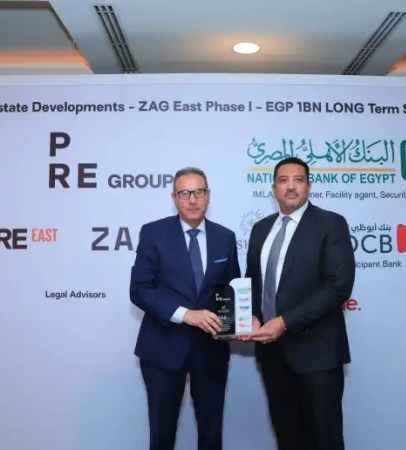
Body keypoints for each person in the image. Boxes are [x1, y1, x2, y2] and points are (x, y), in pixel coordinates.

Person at [245, 157, 355, 450]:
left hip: (317, 354)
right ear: (273, 189)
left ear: (309, 186)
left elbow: (339, 285)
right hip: (272, 354)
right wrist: (250, 316)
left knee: (325, 439)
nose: (291, 186)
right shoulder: (260, 229)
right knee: (287, 437)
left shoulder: (330, 224)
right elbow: (253, 282)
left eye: (298, 180)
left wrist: (285, 322)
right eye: (283, 180)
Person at [130, 167, 240, 450]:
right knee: (162, 435)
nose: (192, 199)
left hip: (211, 350)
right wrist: (186, 315)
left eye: (199, 192)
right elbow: (140, 289)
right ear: (174, 197)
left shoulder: (225, 237)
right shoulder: (153, 233)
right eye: (185, 193)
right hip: (163, 348)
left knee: (211, 436)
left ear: (208, 195)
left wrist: (235, 322)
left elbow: (231, 289)